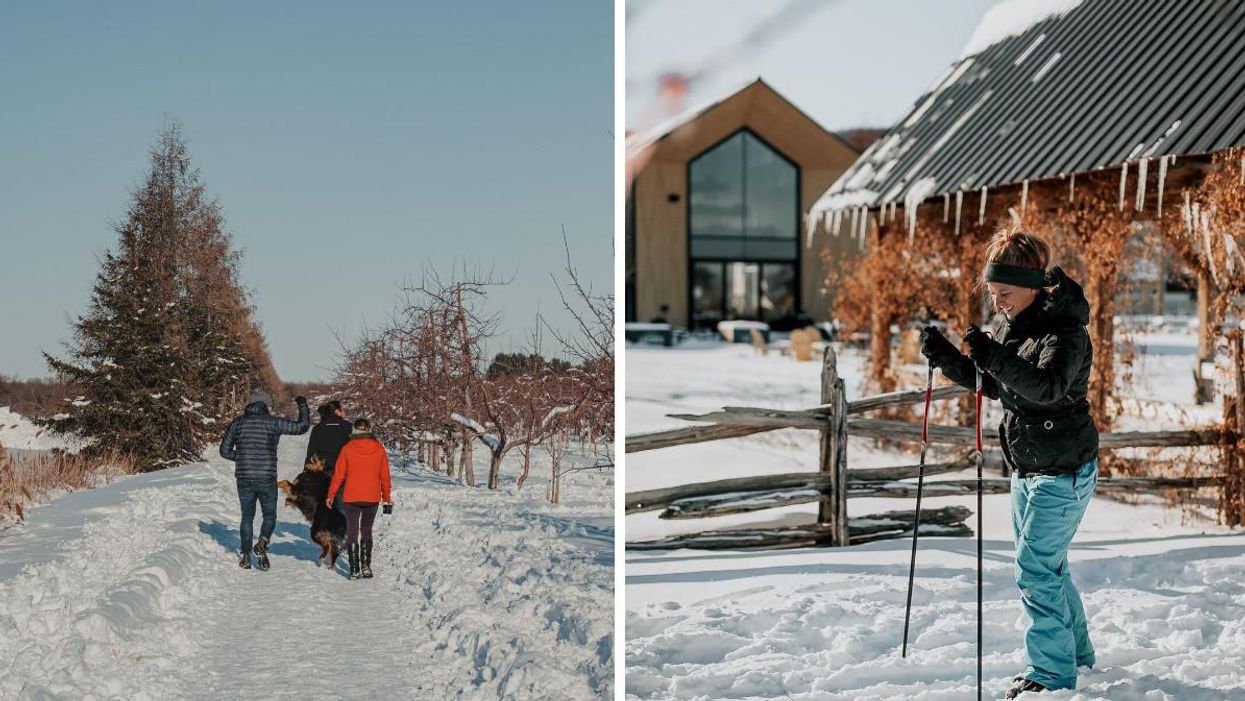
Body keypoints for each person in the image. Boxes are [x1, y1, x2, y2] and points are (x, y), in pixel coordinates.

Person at [919, 227, 1098, 699]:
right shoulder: (1012, 324)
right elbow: (994, 383)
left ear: (1035, 287)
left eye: (1005, 294)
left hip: (1063, 469)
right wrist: (947, 358)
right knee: (1049, 566)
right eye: (994, 294)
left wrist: (995, 356)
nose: (998, 303)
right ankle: (1076, 656)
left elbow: (1046, 387)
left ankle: (1051, 675)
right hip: (1028, 465)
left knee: (1034, 570)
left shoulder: (1066, 331)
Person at [219, 390, 310, 570]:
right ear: (265, 406)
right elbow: (302, 427)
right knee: (269, 515)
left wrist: (244, 457)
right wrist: (302, 405)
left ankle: (245, 556)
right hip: (266, 476)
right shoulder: (273, 422)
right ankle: (262, 541)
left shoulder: (237, 423)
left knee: (247, 516)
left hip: (244, 477)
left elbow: (224, 451)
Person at [326, 418, 392, 580]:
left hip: (351, 496)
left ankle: (354, 569)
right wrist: (387, 497)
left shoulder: (347, 449)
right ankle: (366, 566)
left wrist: (331, 494)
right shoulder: (379, 449)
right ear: (369, 430)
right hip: (371, 496)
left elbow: (339, 475)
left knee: (353, 531)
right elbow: (385, 476)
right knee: (367, 530)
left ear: (354, 431)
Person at [305, 400, 353, 509]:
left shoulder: (318, 429)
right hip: (343, 472)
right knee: (342, 507)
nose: (344, 411)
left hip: (322, 472)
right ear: (337, 411)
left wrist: (307, 473)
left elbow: (311, 453)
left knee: (322, 507)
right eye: (342, 409)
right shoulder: (350, 428)